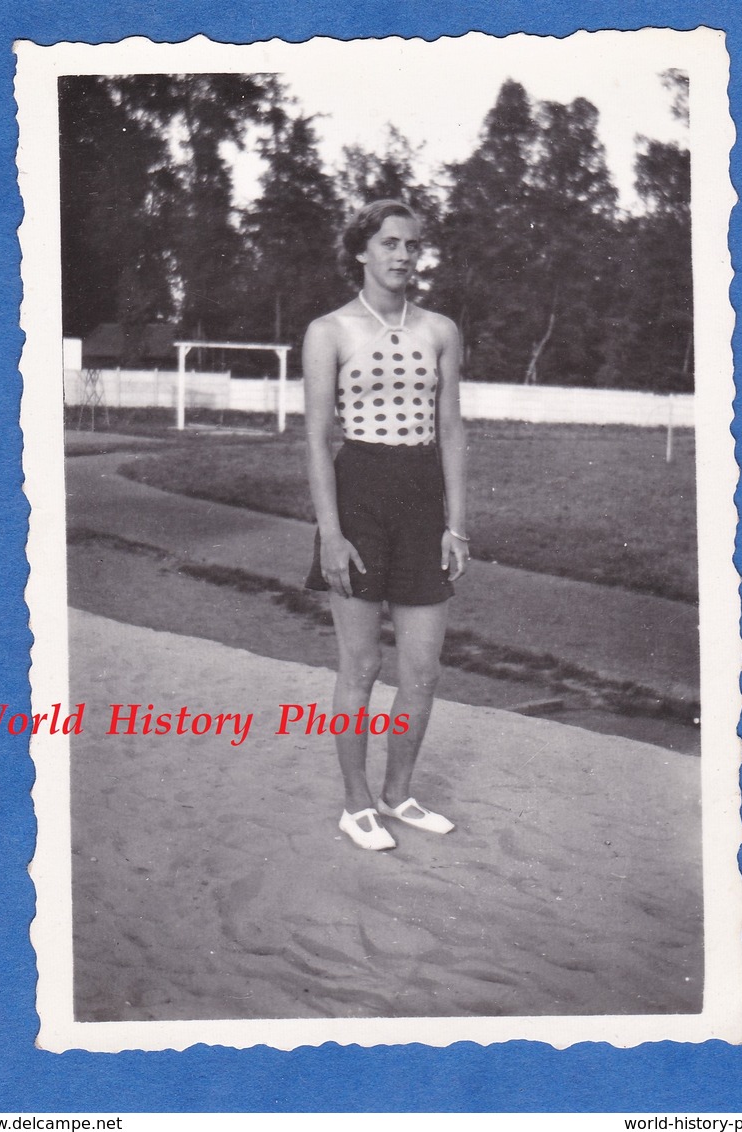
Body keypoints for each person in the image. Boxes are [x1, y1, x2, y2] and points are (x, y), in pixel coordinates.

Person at [303, 199, 469, 851]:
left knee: (422, 670)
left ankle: (398, 793)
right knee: (363, 664)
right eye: (390, 243)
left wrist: (455, 524)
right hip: (359, 496)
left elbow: (452, 428)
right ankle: (356, 803)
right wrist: (331, 532)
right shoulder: (329, 331)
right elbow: (317, 439)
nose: (403, 255)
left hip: (422, 497)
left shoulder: (440, 330)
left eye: (412, 245)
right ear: (361, 251)